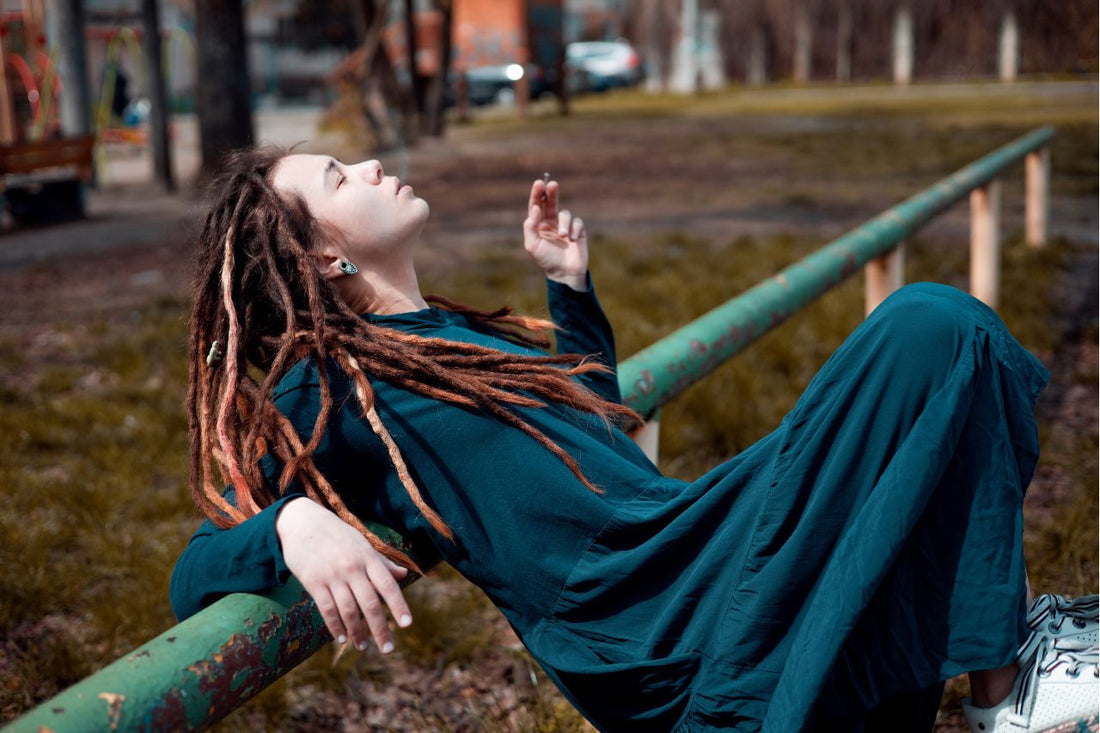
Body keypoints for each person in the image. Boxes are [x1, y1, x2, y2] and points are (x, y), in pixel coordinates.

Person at [170, 148, 1098, 733]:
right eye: (339, 178)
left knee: (935, 338)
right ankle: (1005, 688)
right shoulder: (329, 386)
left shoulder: (462, 338)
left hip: (680, 554)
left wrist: (569, 291)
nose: (369, 168)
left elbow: (598, 443)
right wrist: (290, 524)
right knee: (927, 328)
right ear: (321, 258)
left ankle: (1005, 666)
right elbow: (192, 572)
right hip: (656, 626)